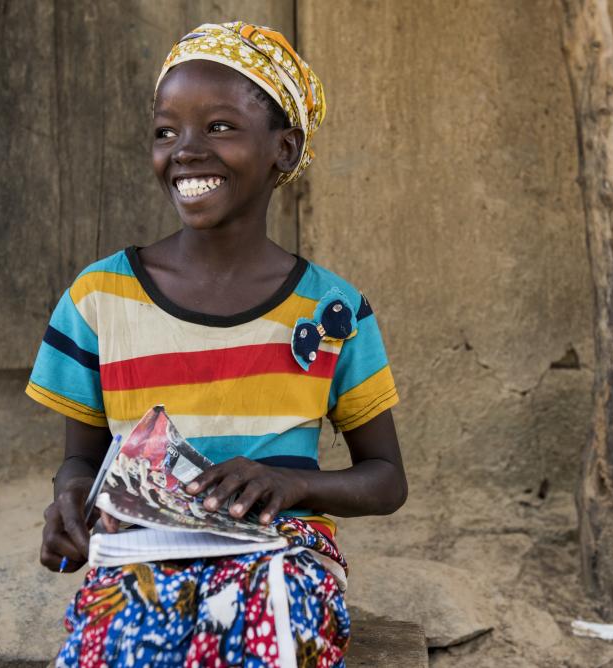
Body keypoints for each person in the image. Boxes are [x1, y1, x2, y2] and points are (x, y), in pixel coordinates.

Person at [27, 21, 407, 668]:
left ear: (283, 150)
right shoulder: (99, 299)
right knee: (119, 644)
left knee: (257, 638)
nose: (186, 150)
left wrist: (287, 484)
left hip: (280, 554)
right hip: (142, 550)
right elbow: (79, 461)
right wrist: (71, 500)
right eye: (165, 131)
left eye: (220, 128)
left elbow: (387, 480)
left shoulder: (333, 312)